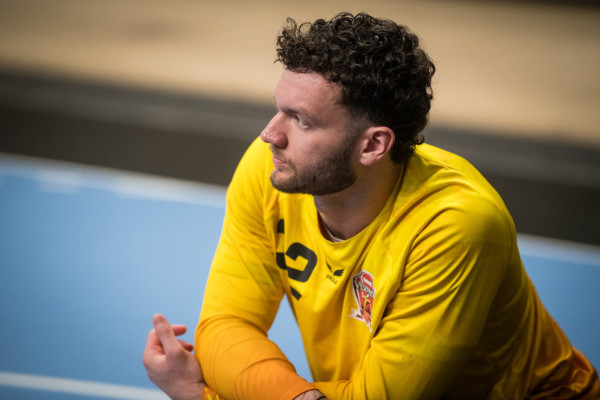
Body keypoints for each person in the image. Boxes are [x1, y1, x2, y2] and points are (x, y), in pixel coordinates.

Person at [143, 12, 600, 399]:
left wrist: (202, 395)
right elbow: (225, 326)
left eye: (301, 120)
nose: (270, 134)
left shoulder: (456, 223)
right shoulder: (271, 169)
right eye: (279, 109)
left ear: (373, 145)